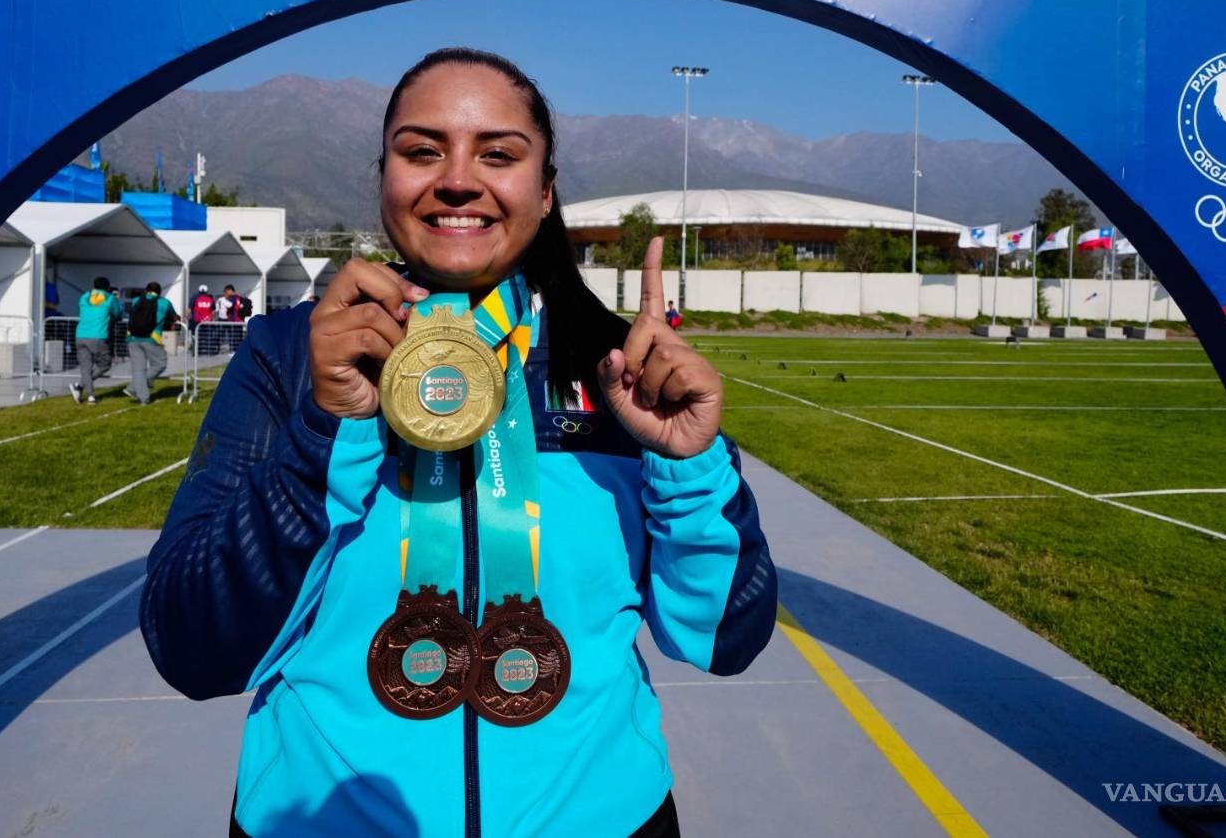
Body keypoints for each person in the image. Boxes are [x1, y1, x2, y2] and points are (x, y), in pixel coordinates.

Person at [140, 48, 775, 837]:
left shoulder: (620, 368)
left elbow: (726, 638)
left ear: (544, 193)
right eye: (421, 150)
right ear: (384, 180)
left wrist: (688, 467)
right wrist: (325, 430)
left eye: (499, 154)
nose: (457, 179)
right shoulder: (288, 356)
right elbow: (190, 646)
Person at [71, 276, 124, 404]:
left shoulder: (84, 297)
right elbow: (118, 314)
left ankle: (90, 396)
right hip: (98, 335)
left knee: (85, 367)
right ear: (107, 287)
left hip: (81, 335)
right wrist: (116, 301)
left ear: (93, 286)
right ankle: (80, 387)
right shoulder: (110, 298)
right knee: (105, 364)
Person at [126, 281, 179, 404]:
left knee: (138, 369)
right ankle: (133, 387)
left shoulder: (136, 301)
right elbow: (174, 317)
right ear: (159, 292)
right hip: (151, 338)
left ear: (146, 290)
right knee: (160, 364)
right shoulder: (164, 302)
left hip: (132, 338)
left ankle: (143, 398)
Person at [190, 284, 217, 354]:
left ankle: (196, 351)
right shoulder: (210, 299)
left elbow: (189, 309)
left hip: (196, 320)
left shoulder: (194, 298)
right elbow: (213, 312)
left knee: (195, 335)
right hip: (207, 321)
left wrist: (185, 317)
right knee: (208, 336)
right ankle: (210, 351)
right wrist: (212, 318)